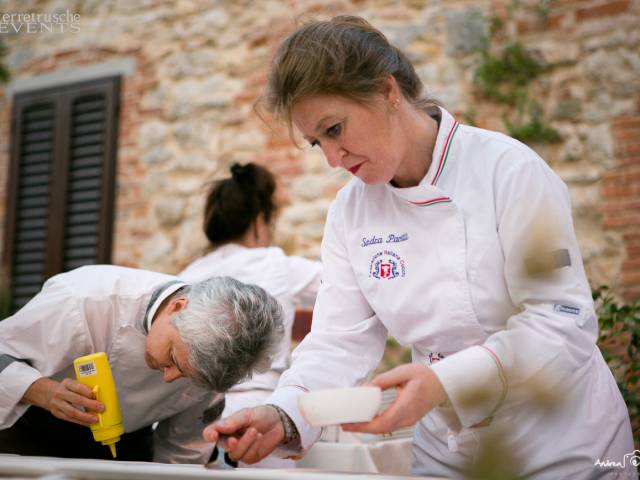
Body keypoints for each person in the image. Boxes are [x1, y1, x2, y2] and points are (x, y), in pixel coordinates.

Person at [202, 15, 636, 479]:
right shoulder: (350, 213)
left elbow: (560, 322)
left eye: (334, 129)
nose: (332, 159)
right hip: (444, 456)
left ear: (388, 92)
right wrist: (284, 413)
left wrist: (443, 383)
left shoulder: (508, 172)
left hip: (559, 444)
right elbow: (338, 340)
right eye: (316, 143)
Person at [0, 265, 283, 463]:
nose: (170, 378)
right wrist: (44, 392)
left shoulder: (216, 363)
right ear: (177, 306)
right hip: (30, 431)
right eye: (173, 357)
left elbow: (183, 451)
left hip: (129, 445)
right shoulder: (84, 300)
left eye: (186, 375)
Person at [179, 162, 322, 468]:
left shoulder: (186, 276)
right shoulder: (274, 263)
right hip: (259, 420)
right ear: (260, 221)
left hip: (191, 424)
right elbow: (343, 288)